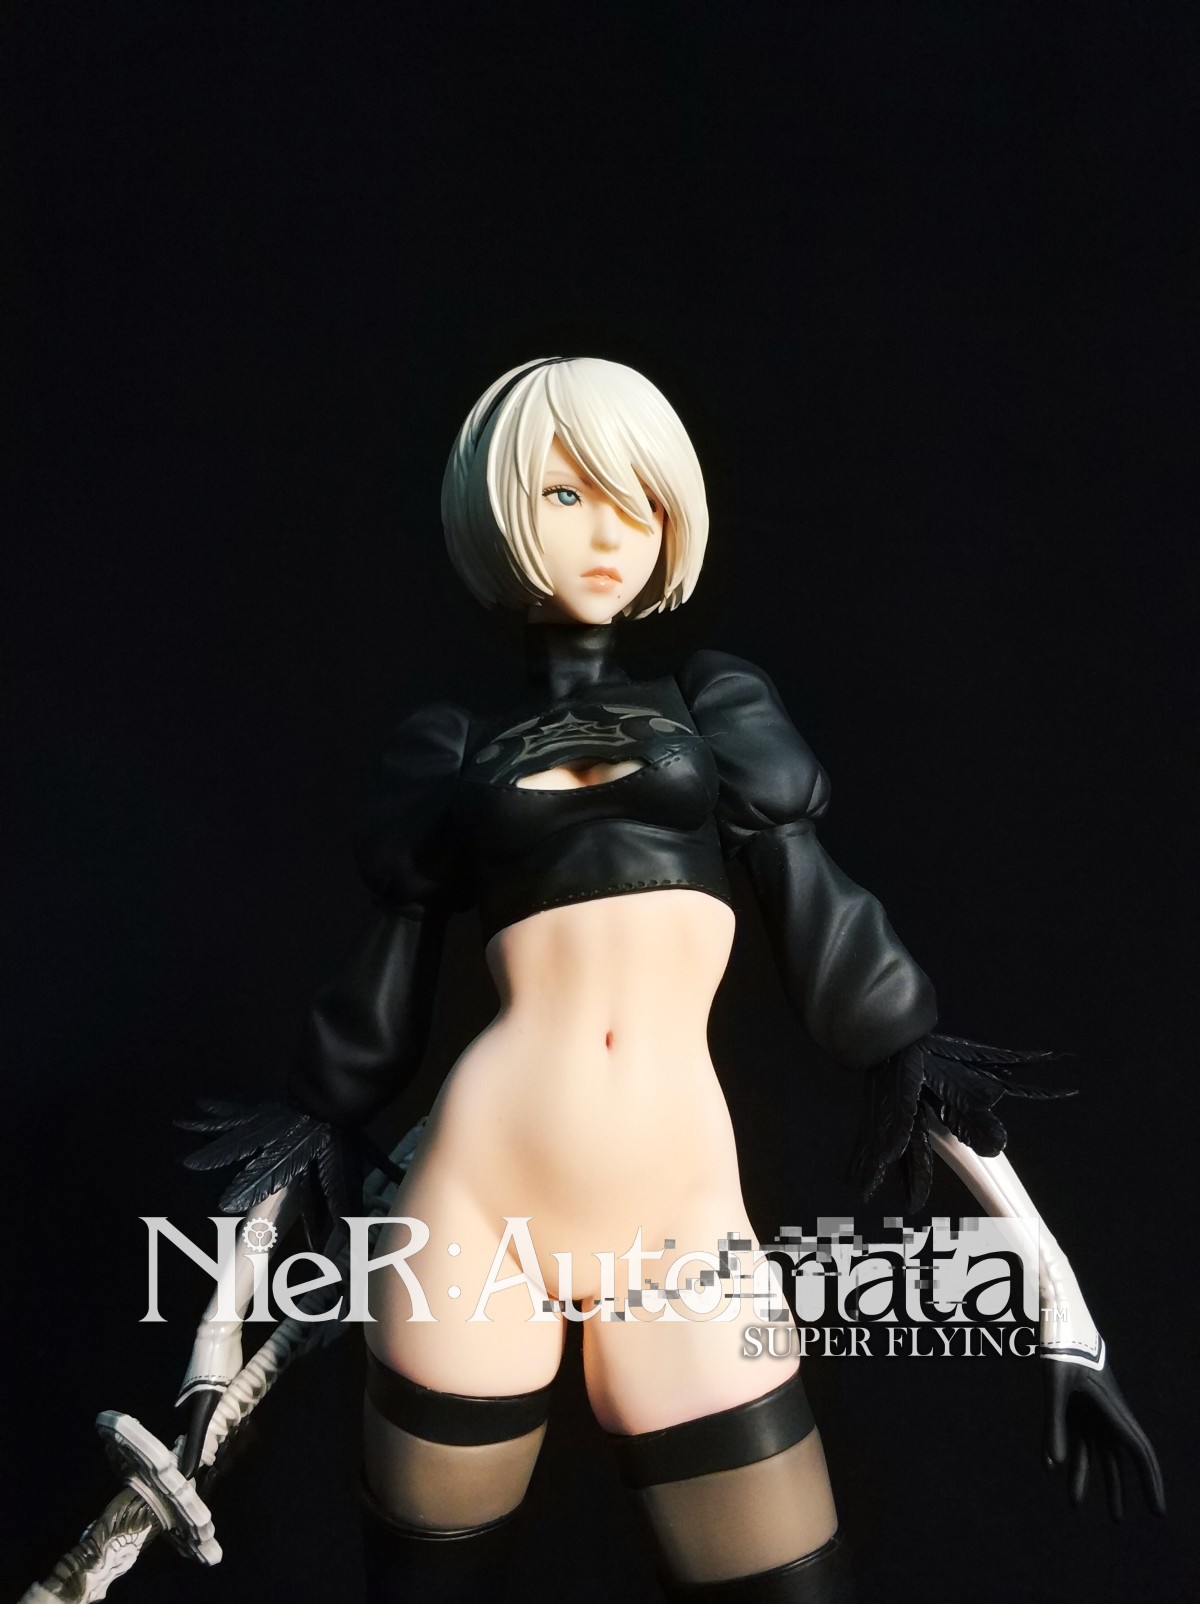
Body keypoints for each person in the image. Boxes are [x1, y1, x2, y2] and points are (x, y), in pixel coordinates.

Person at [182, 357, 1163, 1603]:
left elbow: (868, 999)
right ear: (499, 508)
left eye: (638, 498)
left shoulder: (714, 702)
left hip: (682, 1228)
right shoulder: (450, 749)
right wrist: (210, 1349)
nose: (610, 533)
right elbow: (349, 1054)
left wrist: (1066, 1319)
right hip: (474, 1212)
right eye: (566, 493)